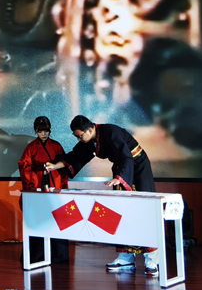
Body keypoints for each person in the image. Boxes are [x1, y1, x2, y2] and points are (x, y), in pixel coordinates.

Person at [44, 115, 159, 276]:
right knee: (122, 213)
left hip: (137, 169)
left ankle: (152, 259)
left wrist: (121, 177)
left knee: (143, 212)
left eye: (80, 136)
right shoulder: (90, 140)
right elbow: (76, 155)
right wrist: (54, 166)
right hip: (121, 172)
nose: (79, 139)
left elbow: (126, 156)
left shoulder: (111, 132)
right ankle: (126, 258)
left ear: (89, 129)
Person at [18, 115, 69, 263]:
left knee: (56, 218)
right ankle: (37, 255)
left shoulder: (57, 146)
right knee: (38, 218)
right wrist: (31, 182)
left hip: (55, 181)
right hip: (38, 182)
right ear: (36, 131)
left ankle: (59, 255)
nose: (44, 134)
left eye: (46, 131)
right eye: (40, 131)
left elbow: (64, 164)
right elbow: (24, 166)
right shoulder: (31, 147)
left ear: (50, 129)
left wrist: (62, 182)